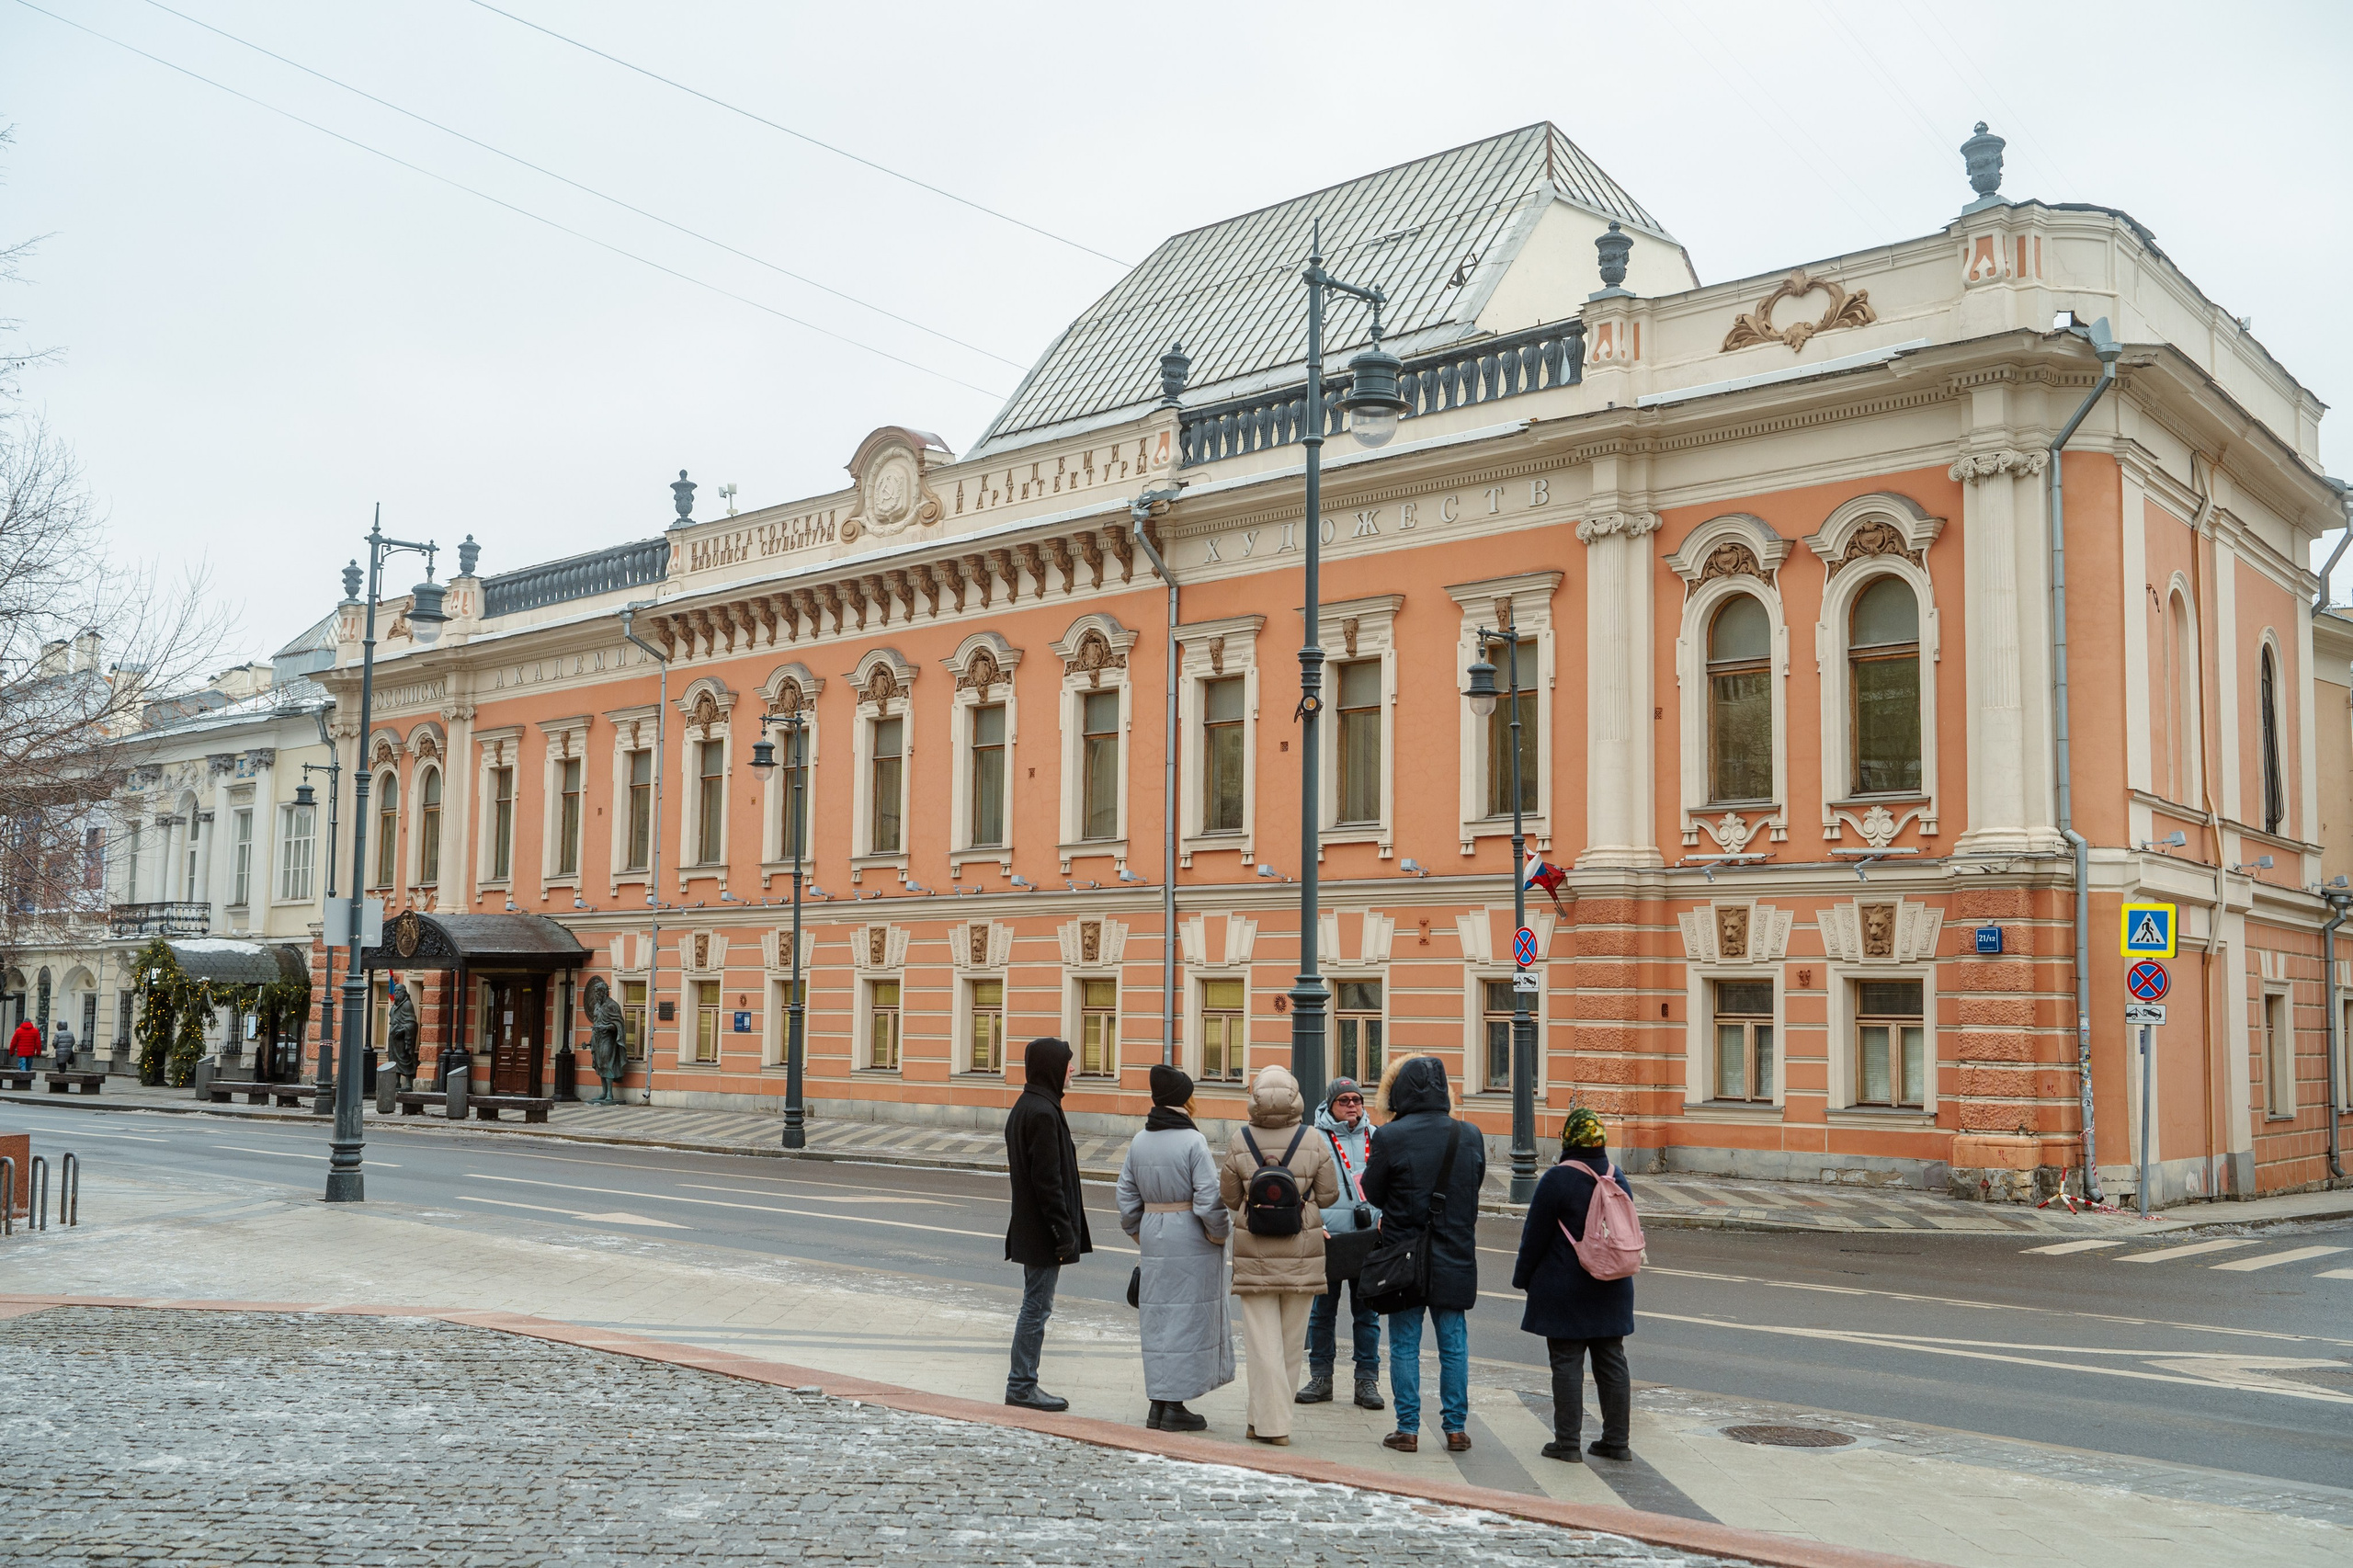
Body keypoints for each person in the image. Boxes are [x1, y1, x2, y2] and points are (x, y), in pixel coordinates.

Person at [1360, 1053, 1485, 1454]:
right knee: (1453, 1342)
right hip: (1455, 1252)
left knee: (1404, 1344)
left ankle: (1408, 1428)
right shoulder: (1469, 1134)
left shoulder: (1390, 1136)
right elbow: (1475, 1184)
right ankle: (1456, 1428)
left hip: (1405, 1255)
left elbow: (1374, 1192)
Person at [1218, 1063, 1336, 1446]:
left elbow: (1231, 1198)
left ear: (1254, 1099)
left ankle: (1267, 1423)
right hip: (1302, 1250)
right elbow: (1331, 1194)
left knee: (1260, 1343)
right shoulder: (1313, 1138)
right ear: (1295, 1097)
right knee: (1288, 1344)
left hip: (1254, 1250)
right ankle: (1269, 1423)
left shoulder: (1240, 1139)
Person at [1512, 1107, 1635, 1463]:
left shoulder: (1558, 1178)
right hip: (1612, 1284)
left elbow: (1534, 1237)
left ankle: (1567, 1443)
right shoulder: (1617, 1176)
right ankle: (1616, 1442)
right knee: (1612, 1360)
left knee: (1566, 1361)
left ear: (1568, 1139)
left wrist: (1522, 1278)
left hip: (1565, 1286)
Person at [1116, 1063, 1233, 1432]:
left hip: (1154, 1232)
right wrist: (1219, 1233)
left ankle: (1158, 1403)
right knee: (1186, 1319)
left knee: (1159, 1320)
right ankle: (1175, 1404)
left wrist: (1140, 1230)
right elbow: (1209, 1198)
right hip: (1190, 1235)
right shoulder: (1192, 1141)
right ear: (1184, 1099)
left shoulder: (1139, 1140)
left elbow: (1125, 1196)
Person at [1004, 1035, 1090, 1411]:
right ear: (1052, 1067)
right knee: (1036, 1308)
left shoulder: (1033, 1105)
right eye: (1068, 1062)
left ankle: (1023, 1382)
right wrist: (1063, 1232)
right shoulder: (1041, 1112)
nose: (1073, 1068)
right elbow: (1047, 1183)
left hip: (1033, 1229)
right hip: (1042, 1233)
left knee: (1035, 1305)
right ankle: (1021, 1384)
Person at [1297, 1076, 1383, 1411]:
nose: (1352, 1106)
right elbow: (1301, 1189)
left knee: (1368, 1315)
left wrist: (1385, 1218)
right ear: (1330, 1105)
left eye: (1357, 1100)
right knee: (1322, 1314)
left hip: (1369, 1239)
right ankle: (1321, 1378)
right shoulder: (1314, 1139)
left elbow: (1392, 1182)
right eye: (1344, 1100)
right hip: (1329, 1239)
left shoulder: (1377, 1138)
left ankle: (1366, 1382)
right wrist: (1312, 1224)